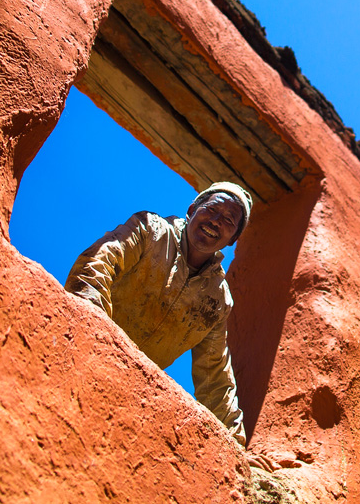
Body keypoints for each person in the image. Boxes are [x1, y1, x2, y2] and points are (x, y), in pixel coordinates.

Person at [66, 181, 266, 462]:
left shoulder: (218, 300)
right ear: (192, 210)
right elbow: (98, 265)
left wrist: (236, 449)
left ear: (232, 240)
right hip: (83, 350)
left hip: (125, 393)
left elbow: (215, 374)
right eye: (211, 209)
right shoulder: (149, 230)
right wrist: (92, 329)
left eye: (229, 221)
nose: (216, 221)